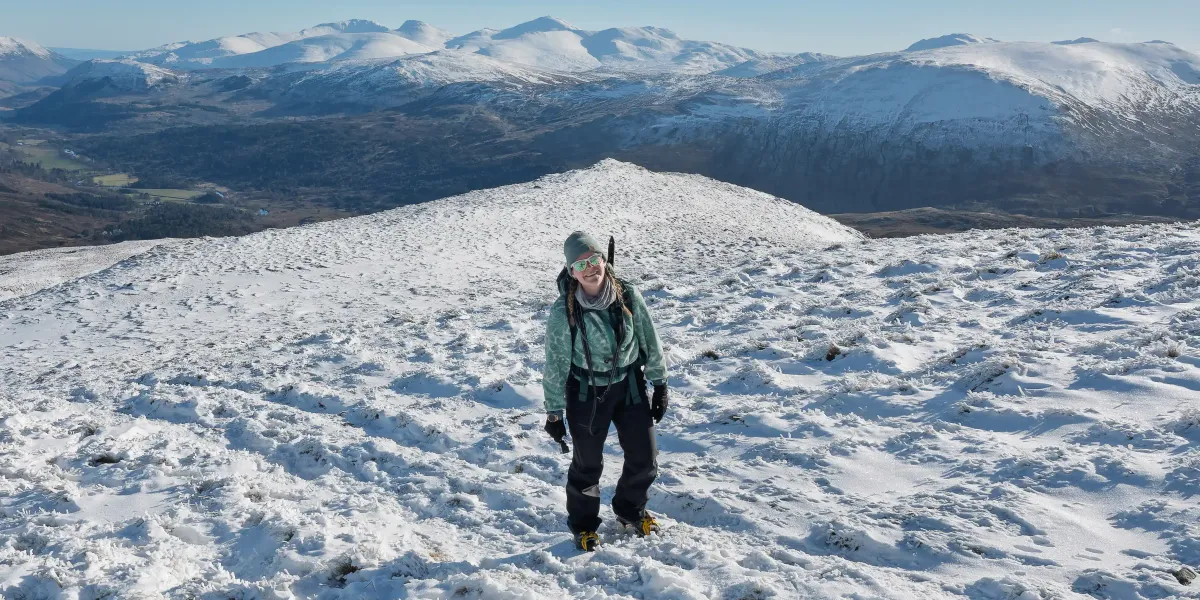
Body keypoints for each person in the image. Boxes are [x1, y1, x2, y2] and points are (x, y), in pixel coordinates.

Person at [542, 231, 670, 552]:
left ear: (603, 259)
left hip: (628, 385)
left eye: (594, 259)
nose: (590, 267)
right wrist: (554, 412)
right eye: (580, 263)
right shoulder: (564, 312)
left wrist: (660, 383)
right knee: (588, 465)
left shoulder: (627, 294)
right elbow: (556, 363)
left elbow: (649, 339)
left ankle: (630, 509)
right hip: (586, 392)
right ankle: (584, 526)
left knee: (645, 457)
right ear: (571, 271)